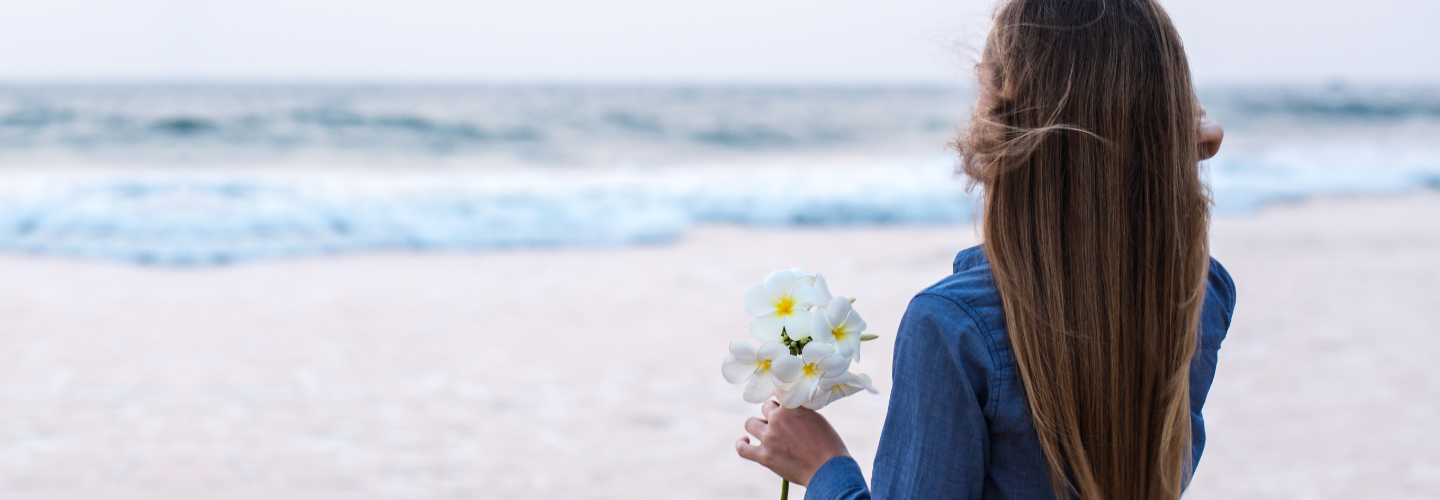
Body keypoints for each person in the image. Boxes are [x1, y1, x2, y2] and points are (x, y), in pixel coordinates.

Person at [734, 0, 1233, 499]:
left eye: (983, 82)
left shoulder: (953, 328)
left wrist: (823, 466)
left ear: (1002, 119)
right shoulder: (1197, 295)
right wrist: (1159, 137)